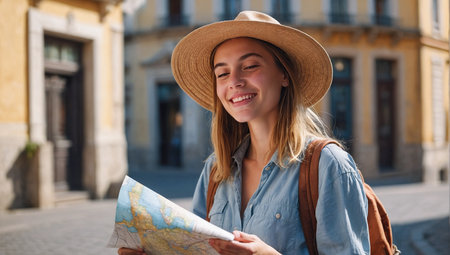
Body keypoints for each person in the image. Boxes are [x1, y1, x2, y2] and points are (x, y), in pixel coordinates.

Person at [119, 10, 369, 255]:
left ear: (284, 74)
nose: (234, 81)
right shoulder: (215, 171)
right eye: (222, 73)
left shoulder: (328, 165)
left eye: (249, 66)